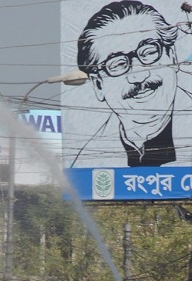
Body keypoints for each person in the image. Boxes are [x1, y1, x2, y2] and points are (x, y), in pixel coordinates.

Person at [72, 0, 180, 167]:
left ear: (173, 57)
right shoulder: (86, 158)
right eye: (117, 64)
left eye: (149, 52)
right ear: (98, 85)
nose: (138, 76)